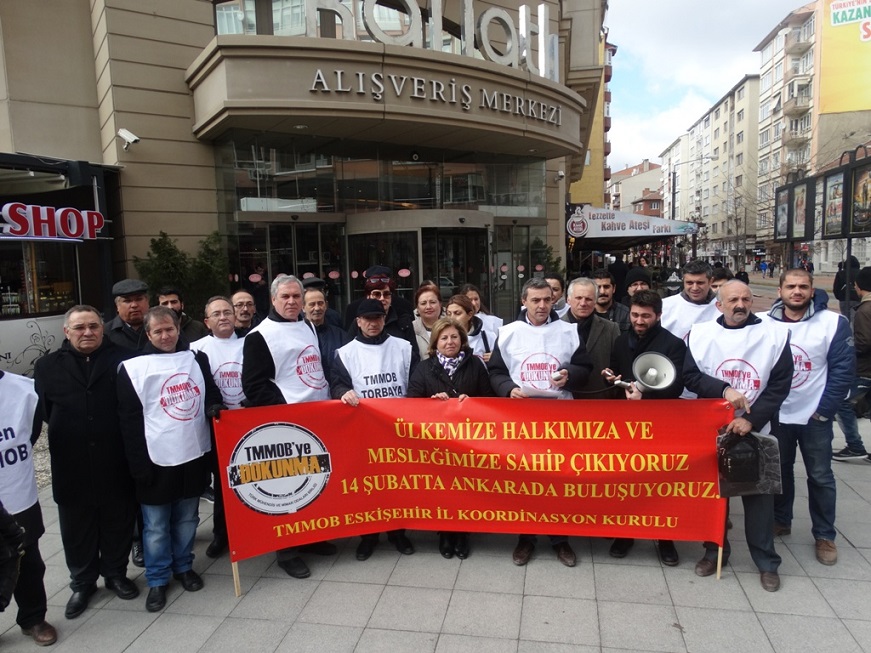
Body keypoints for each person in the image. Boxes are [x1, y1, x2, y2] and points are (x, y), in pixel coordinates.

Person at [683, 280, 792, 592]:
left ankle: (766, 562)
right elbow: (690, 376)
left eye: (745, 299)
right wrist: (723, 389)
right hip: (712, 429)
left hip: (756, 430)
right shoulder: (701, 334)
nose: (740, 305)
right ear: (719, 305)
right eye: (733, 300)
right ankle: (715, 552)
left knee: (759, 500)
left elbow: (780, 384)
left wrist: (752, 420)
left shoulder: (775, 334)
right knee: (715, 497)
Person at [33, 305, 139, 620]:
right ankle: (83, 582)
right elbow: (46, 411)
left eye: (93, 326)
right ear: (66, 332)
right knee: (76, 527)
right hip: (71, 462)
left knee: (117, 520)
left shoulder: (124, 359)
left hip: (115, 458)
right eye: (79, 328)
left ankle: (116, 573)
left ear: (102, 328)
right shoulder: (47, 366)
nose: (87, 332)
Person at [117, 306, 223, 612]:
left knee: (187, 519)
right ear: (148, 334)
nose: (165, 336)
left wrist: (214, 406)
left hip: (192, 453)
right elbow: (128, 422)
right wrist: (138, 465)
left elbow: (210, 392)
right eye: (158, 331)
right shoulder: (132, 369)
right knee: (155, 526)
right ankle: (157, 578)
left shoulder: (196, 359)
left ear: (178, 329)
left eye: (170, 329)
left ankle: (183, 566)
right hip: (154, 458)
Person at [488, 277, 593, 567]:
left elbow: (585, 367)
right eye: (535, 300)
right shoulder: (508, 333)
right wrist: (508, 388)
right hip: (522, 419)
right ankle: (526, 537)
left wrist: (570, 374)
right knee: (525, 481)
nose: (542, 305)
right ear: (524, 301)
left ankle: (560, 538)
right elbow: (495, 372)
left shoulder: (568, 331)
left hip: (559, 418)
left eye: (547, 299)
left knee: (559, 480)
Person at [241, 275, 337, 579]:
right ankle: (287, 550)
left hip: (318, 415)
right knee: (288, 488)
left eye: (297, 296)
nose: (292, 302)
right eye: (286, 297)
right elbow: (253, 386)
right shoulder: (259, 336)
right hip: (287, 421)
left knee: (315, 480)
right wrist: (285, 408)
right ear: (273, 300)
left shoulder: (307, 325)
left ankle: (311, 537)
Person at [760, 269, 853, 565]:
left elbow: (842, 371)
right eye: (791, 286)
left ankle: (824, 535)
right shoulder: (763, 323)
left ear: (812, 291)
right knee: (780, 471)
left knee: (821, 476)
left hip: (815, 417)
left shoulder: (833, 323)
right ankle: (781, 519)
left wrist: (824, 411)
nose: (797, 291)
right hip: (777, 415)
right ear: (780, 291)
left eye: (803, 286)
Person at [602, 290, 686, 565]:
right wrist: (611, 377)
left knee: (659, 483)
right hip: (626, 425)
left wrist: (646, 396)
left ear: (658, 315)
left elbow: (676, 386)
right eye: (635, 315)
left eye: (646, 316)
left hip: (658, 424)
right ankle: (625, 533)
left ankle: (665, 539)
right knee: (625, 481)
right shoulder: (620, 340)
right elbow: (615, 371)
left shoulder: (673, 344)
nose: (639, 321)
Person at [331, 298, 417, 560]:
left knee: (397, 485)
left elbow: (416, 384)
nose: (373, 323)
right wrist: (342, 391)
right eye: (367, 319)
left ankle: (398, 532)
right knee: (368, 486)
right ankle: (368, 536)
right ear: (358, 322)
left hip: (397, 430)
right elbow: (336, 383)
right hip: (364, 432)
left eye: (377, 318)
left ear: (384, 318)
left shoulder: (404, 347)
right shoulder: (345, 353)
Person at [407, 318, 494, 559]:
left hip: (468, 442)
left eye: (454, 337)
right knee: (443, 489)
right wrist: (431, 403)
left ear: (462, 340)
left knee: (465, 488)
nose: (450, 342)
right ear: (435, 342)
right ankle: (445, 532)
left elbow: (489, 398)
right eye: (444, 338)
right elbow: (411, 402)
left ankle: (462, 532)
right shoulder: (424, 368)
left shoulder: (475, 365)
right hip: (436, 444)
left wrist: (473, 403)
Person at [0, 371, 58, 645]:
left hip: (15, 493)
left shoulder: (24, 389)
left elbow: (31, 435)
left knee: (27, 560)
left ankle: (33, 618)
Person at [189, 296, 248, 559]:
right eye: (216, 314)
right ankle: (222, 534)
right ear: (206, 321)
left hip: (247, 422)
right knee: (223, 484)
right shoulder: (195, 350)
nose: (223, 317)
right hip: (216, 426)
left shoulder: (251, 342)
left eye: (227, 312)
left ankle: (251, 530)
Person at [834, 266, 871, 461]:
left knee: (842, 403)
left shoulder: (865, 310)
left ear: (860, 286)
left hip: (865, 370)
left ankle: (855, 446)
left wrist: (846, 351)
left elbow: (863, 342)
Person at [561, 277, 620, 399]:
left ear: (595, 301)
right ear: (568, 300)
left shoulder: (611, 328)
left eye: (588, 299)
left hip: (599, 399)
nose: (583, 303)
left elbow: (618, 364)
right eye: (578, 298)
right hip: (564, 399)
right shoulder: (554, 328)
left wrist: (612, 374)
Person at [342, 265, 414, 329]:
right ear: (368, 295)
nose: (382, 298)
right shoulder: (353, 308)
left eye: (386, 294)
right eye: (376, 294)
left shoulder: (404, 306)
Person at [303, 286, 350, 380]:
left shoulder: (340, 335)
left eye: (320, 303)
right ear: (303, 307)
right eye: (312, 304)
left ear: (326, 305)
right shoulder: (296, 336)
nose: (317, 308)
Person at [445, 294, 498, 363]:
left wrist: (496, 358)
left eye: (457, 313)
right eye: (449, 314)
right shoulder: (441, 338)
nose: (452, 318)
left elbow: (502, 363)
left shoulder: (487, 337)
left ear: (470, 314)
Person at [105, 278, 150, 351]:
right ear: (117, 306)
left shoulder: (161, 327)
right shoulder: (105, 333)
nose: (134, 305)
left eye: (139, 299)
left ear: (147, 302)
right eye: (127, 301)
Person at [592, 269, 630, 334]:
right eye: (598, 287)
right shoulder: (585, 313)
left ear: (614, 288)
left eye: (606, 287)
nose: (602, 292)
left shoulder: (626, 314)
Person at [412, 282, 444, 360]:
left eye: (432, 302)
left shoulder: (451, 327)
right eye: (423, 303)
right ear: (417, 308)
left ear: (440, 304)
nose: (428, 307)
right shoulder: (411, 329)